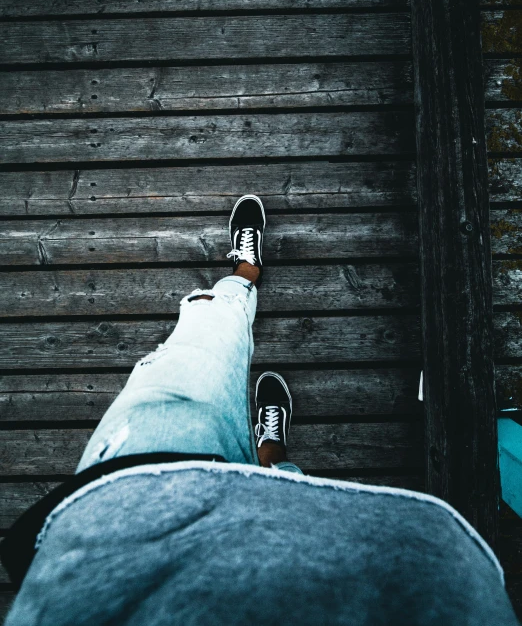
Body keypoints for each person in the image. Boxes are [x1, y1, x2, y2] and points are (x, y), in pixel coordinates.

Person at [1, 195, 519, 625]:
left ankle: (244, 274)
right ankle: (269, 452)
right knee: (285, 488)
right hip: (353, 570)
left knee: (204, 336)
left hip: (121, 512)